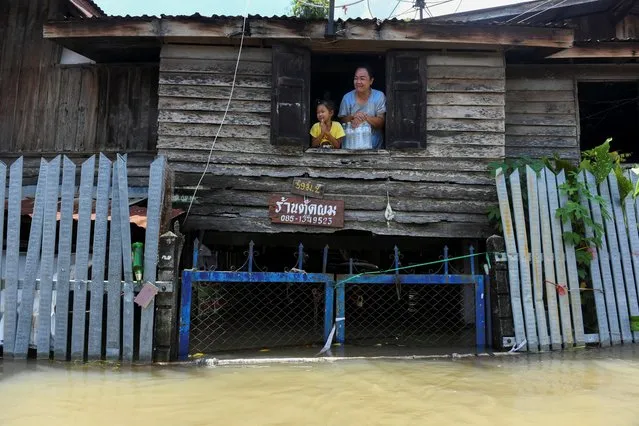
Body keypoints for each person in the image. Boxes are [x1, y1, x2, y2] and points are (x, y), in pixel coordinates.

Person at [338, 65, 386, 149]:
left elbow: (381, 123)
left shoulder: (379, 96)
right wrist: (353, 116)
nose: (358, 82)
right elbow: (341, 121)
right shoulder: (347, 98)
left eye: (362, 78)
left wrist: (365, 117)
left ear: (371, 81)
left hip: (374, 148)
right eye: (356, 78)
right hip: (350, 147)